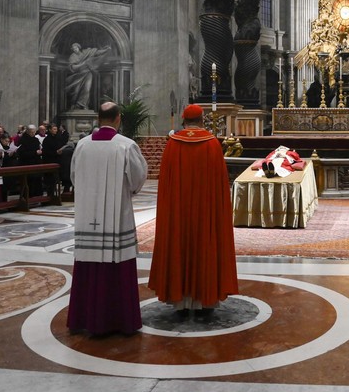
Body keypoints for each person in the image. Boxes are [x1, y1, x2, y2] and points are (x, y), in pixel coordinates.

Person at [67, 102, 148, 335]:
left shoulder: (81, 146)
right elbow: (137, 179)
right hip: (117, 216)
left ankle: (84, 319)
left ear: (98, 118)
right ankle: (120, 320)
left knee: (87, 262)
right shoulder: (126, 146)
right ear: (118, 119)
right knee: (117, 263)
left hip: (86, 214)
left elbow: (74, 177)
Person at [148, 104, 239, 312]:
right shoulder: (212, 144)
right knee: (204, 244)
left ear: (184, 120)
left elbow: (166, 185)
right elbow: (221, 187)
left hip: (178, 212)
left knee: (179, 243)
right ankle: (205, 300)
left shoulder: (173, 144)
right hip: (206, 211)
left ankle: (180, 302)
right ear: (202, 119)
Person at [65, 43, 110, 110]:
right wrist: (83, 64)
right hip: (78, 75)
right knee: (76, 91)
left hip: (88, 73)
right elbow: (73, 68)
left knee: (87, 89)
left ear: (79, 47)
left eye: (76, 48)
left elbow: (96, 53)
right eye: (73, 49)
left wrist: (106, 50)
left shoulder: (86, 52)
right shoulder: (72, 56)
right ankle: (74, 105)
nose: (75, 50)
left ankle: (82, 105)